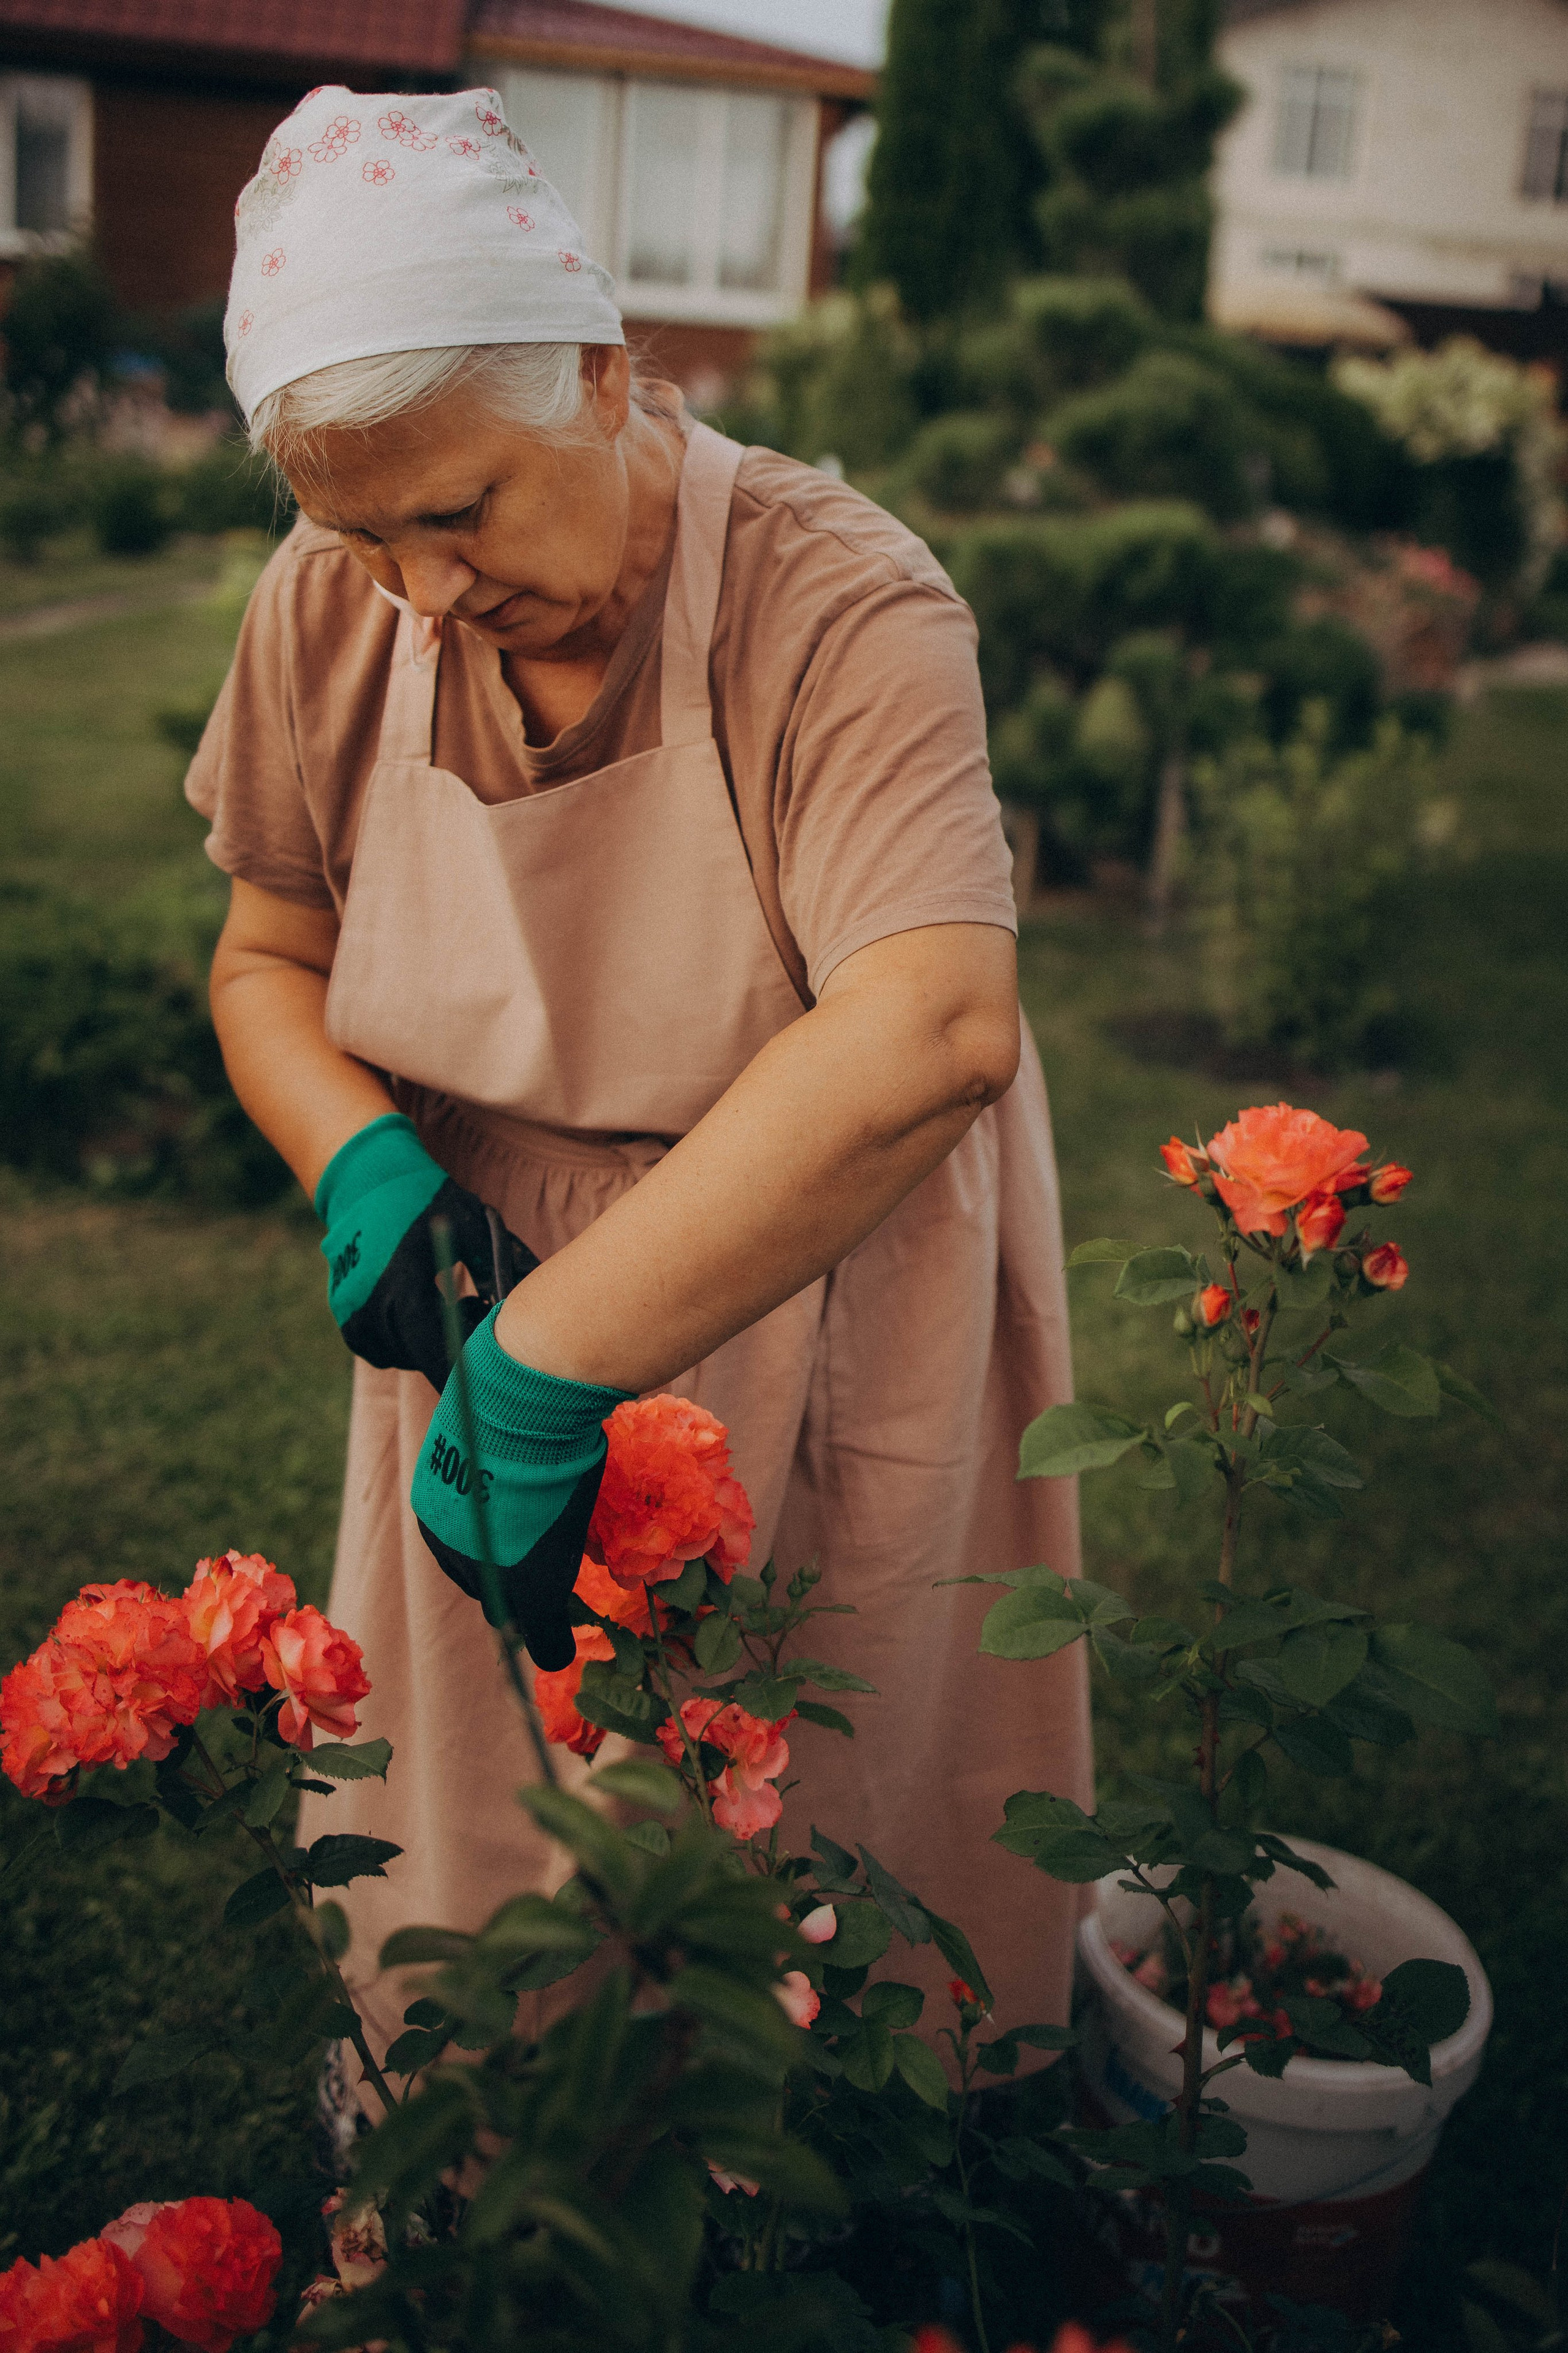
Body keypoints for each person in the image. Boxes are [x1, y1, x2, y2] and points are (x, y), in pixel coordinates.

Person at [189, 82, 1092, 2082]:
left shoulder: (837, 603)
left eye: (462, 511)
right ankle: (494, 2185)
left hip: (808, 1277)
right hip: (473, 1289)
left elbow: (930, 1030)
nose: (418, 590)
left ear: (605, 371)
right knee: (490, 1834)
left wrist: (555, 1358)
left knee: (836, 1818)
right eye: (358, 533)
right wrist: (359, 1162)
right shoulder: (327, 616)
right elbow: (268, 957)